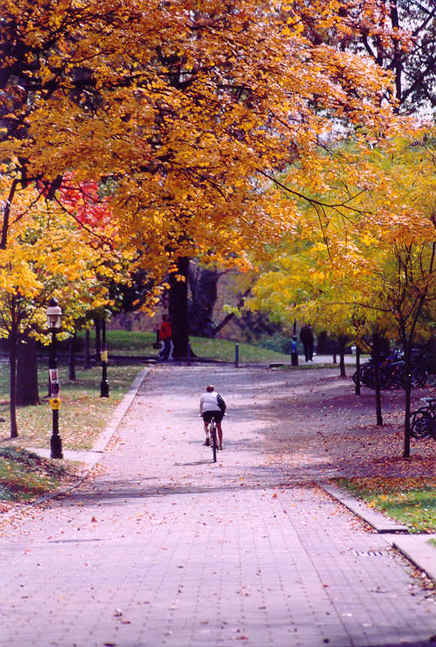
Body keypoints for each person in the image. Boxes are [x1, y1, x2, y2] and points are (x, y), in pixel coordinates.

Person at [199, 384, 226, 450]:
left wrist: (201, 413)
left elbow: (201, 405)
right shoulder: (217, 394)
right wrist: (224, 412)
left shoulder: (203, 395)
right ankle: (220, 444)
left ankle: (207, 437)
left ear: (206, 390)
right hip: (218, 412)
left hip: (207, 412)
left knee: (206, 424)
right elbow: (224, 404)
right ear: (213, 390)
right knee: (218, 426)